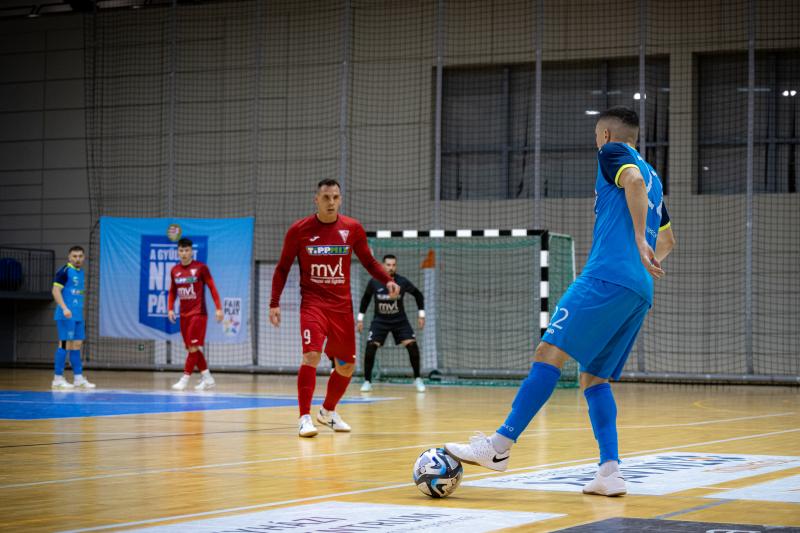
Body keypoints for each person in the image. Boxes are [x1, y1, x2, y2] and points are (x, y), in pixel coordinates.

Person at [445, 106, 676, 497]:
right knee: (593, 378)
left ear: (605, 135)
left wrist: (636, 241)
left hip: (606, 275)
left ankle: (500, 447)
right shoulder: (656, 176)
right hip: (639, 289)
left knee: (548, 350)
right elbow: (668, 242)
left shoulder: (613, 155)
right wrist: (643, 255)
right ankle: (609, 472)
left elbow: (631, 182)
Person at [270, 179, 400, 438]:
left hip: (342, 308)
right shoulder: (299, 230)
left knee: (346, 367)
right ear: (316, 200)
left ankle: (327, 412)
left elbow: (369, 261)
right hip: (313, 305)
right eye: (326, 197)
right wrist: (274, 302)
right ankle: (304, 417)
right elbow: (283, 267)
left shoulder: (352, 228)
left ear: (340, 199)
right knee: (311, 355)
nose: (331, 202)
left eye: (336, 197)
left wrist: (388, 280)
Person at [357, 254, 426, 393]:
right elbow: (365, 299)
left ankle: (418, 379)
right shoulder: (374, 282)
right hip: (380, 321)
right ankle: (367, 381)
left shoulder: (402, 282)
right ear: (383, 266)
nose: (391, 267)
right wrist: (360, 319)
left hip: (399, 320)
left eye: (393, 265)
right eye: (388, 265)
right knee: (370, 347)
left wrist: (421, 315)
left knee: (412, 345)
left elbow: (418, 295)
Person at [168, 237, 222, 391]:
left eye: (186, 250)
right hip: (183, 315)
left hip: (198, 314)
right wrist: (170, 308)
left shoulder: (201, 268)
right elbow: (172, 291)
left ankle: (184, 379)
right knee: (193, 349)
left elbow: (212, 287)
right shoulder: (175, 270)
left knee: (193, 347)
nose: (184, 253)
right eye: (181, 250)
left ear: (191, 251)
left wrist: (218, 307)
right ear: (178, 252)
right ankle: (208, 378)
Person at [51, 246, 95, 389]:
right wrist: (64, 308)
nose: (77, 259)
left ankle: (78, 378)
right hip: (66, 315)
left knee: (76, 345)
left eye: (80, 256)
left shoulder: (80, 272)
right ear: (69, 257)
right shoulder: (64, 271)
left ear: (83, 258)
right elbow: (55, 290)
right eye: (74, 256)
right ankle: (57, 379)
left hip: (77, 316)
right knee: (64, 344)